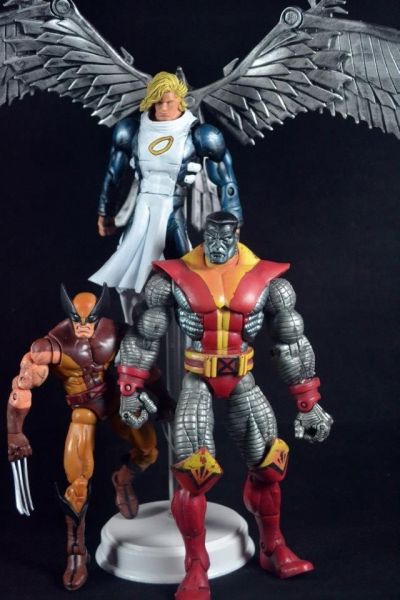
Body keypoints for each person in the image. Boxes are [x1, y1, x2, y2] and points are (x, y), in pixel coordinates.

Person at [116, 211, 333, 599]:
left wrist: (308, 401)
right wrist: (129, 388)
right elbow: (145, 334)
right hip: (197, 378)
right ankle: (196, 565)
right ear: (203, 233)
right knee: (193, 472)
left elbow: (292, 341)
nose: (217, 245)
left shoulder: (267, 280)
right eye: (211, 237)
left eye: (225, 237)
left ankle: (273, 546)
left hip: (243, 378)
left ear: (237, 234)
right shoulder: (173, 277)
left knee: (269, 464)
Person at [6, 285, 166, 591]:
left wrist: (164, 398)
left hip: (118, 403)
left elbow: (145, 367)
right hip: (83, 411)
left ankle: (123, 479)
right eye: (76, 319)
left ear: (99, 314)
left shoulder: (116, 333)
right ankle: (77, 552)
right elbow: (22, 386)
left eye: (89, 319)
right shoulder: (52, 345)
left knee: (149, 450)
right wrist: (15, 432)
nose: (82, 326)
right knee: (77, 482)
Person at [90, 71, 242, 323]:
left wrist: (233, 218)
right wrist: (105, 212)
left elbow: (225, 176)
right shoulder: (132, 130)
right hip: (142, 210)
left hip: (172, 212)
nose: (162, 108)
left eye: (169, 102)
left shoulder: (200, 135)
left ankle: (193, 331)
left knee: (188, 280)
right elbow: (114, 174)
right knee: (126, 279)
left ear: (181, 101)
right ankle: (131, 328)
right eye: (157, 102)